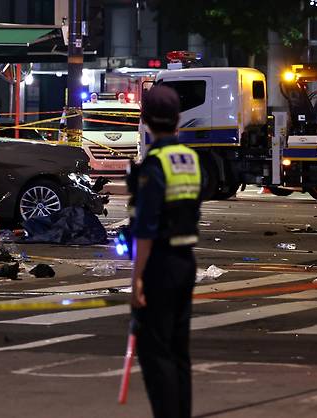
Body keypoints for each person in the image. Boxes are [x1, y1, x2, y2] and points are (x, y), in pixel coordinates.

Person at [128, 85, 201, 418]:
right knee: (178, 350)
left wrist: (137, 278)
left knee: (156, 353)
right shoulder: (191, 159)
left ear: (145, 120)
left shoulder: (154, 164)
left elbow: (146, 228)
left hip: (160, 264)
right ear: (178, 119)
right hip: (187, 261)